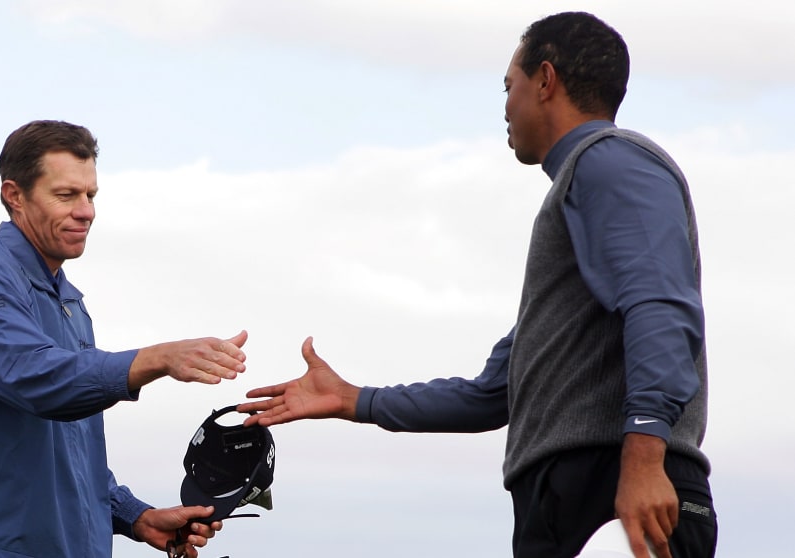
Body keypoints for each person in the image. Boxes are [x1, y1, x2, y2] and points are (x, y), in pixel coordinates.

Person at [239, 11, 717, 558]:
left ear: (545, 80)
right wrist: (355, 400)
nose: (505, 105)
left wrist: (643, 463)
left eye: (508, 86)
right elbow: (494, 394)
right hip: (573, 498)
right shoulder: (580, 197)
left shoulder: (611, 161)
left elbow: (661, 307)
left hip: (614, 491)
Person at [0, 120, 248, 558]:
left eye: (91, 195)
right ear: (14, 195)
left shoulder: (72, 305)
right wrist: (157, 358)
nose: (86, 211)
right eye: (66, 195)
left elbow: (70, 444)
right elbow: (37, 378)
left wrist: (133, 516)